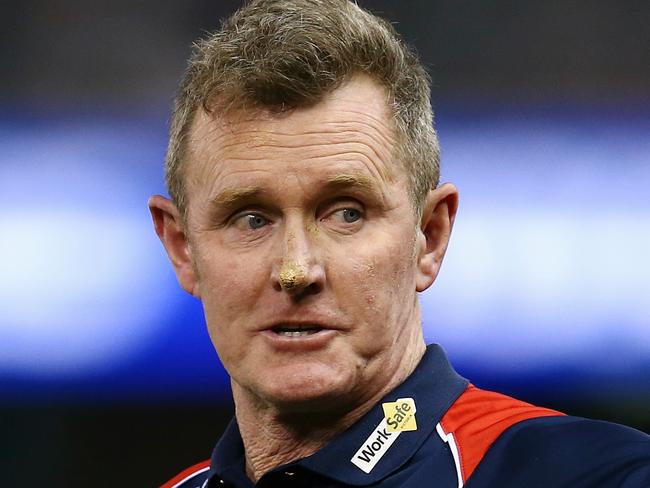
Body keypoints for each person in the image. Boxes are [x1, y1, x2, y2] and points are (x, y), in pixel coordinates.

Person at [149, 1, 650, 486]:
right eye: (251, 219)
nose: (296, 270)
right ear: (182, 247)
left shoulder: (598, 474)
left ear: (429, 237)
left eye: (347, 213)